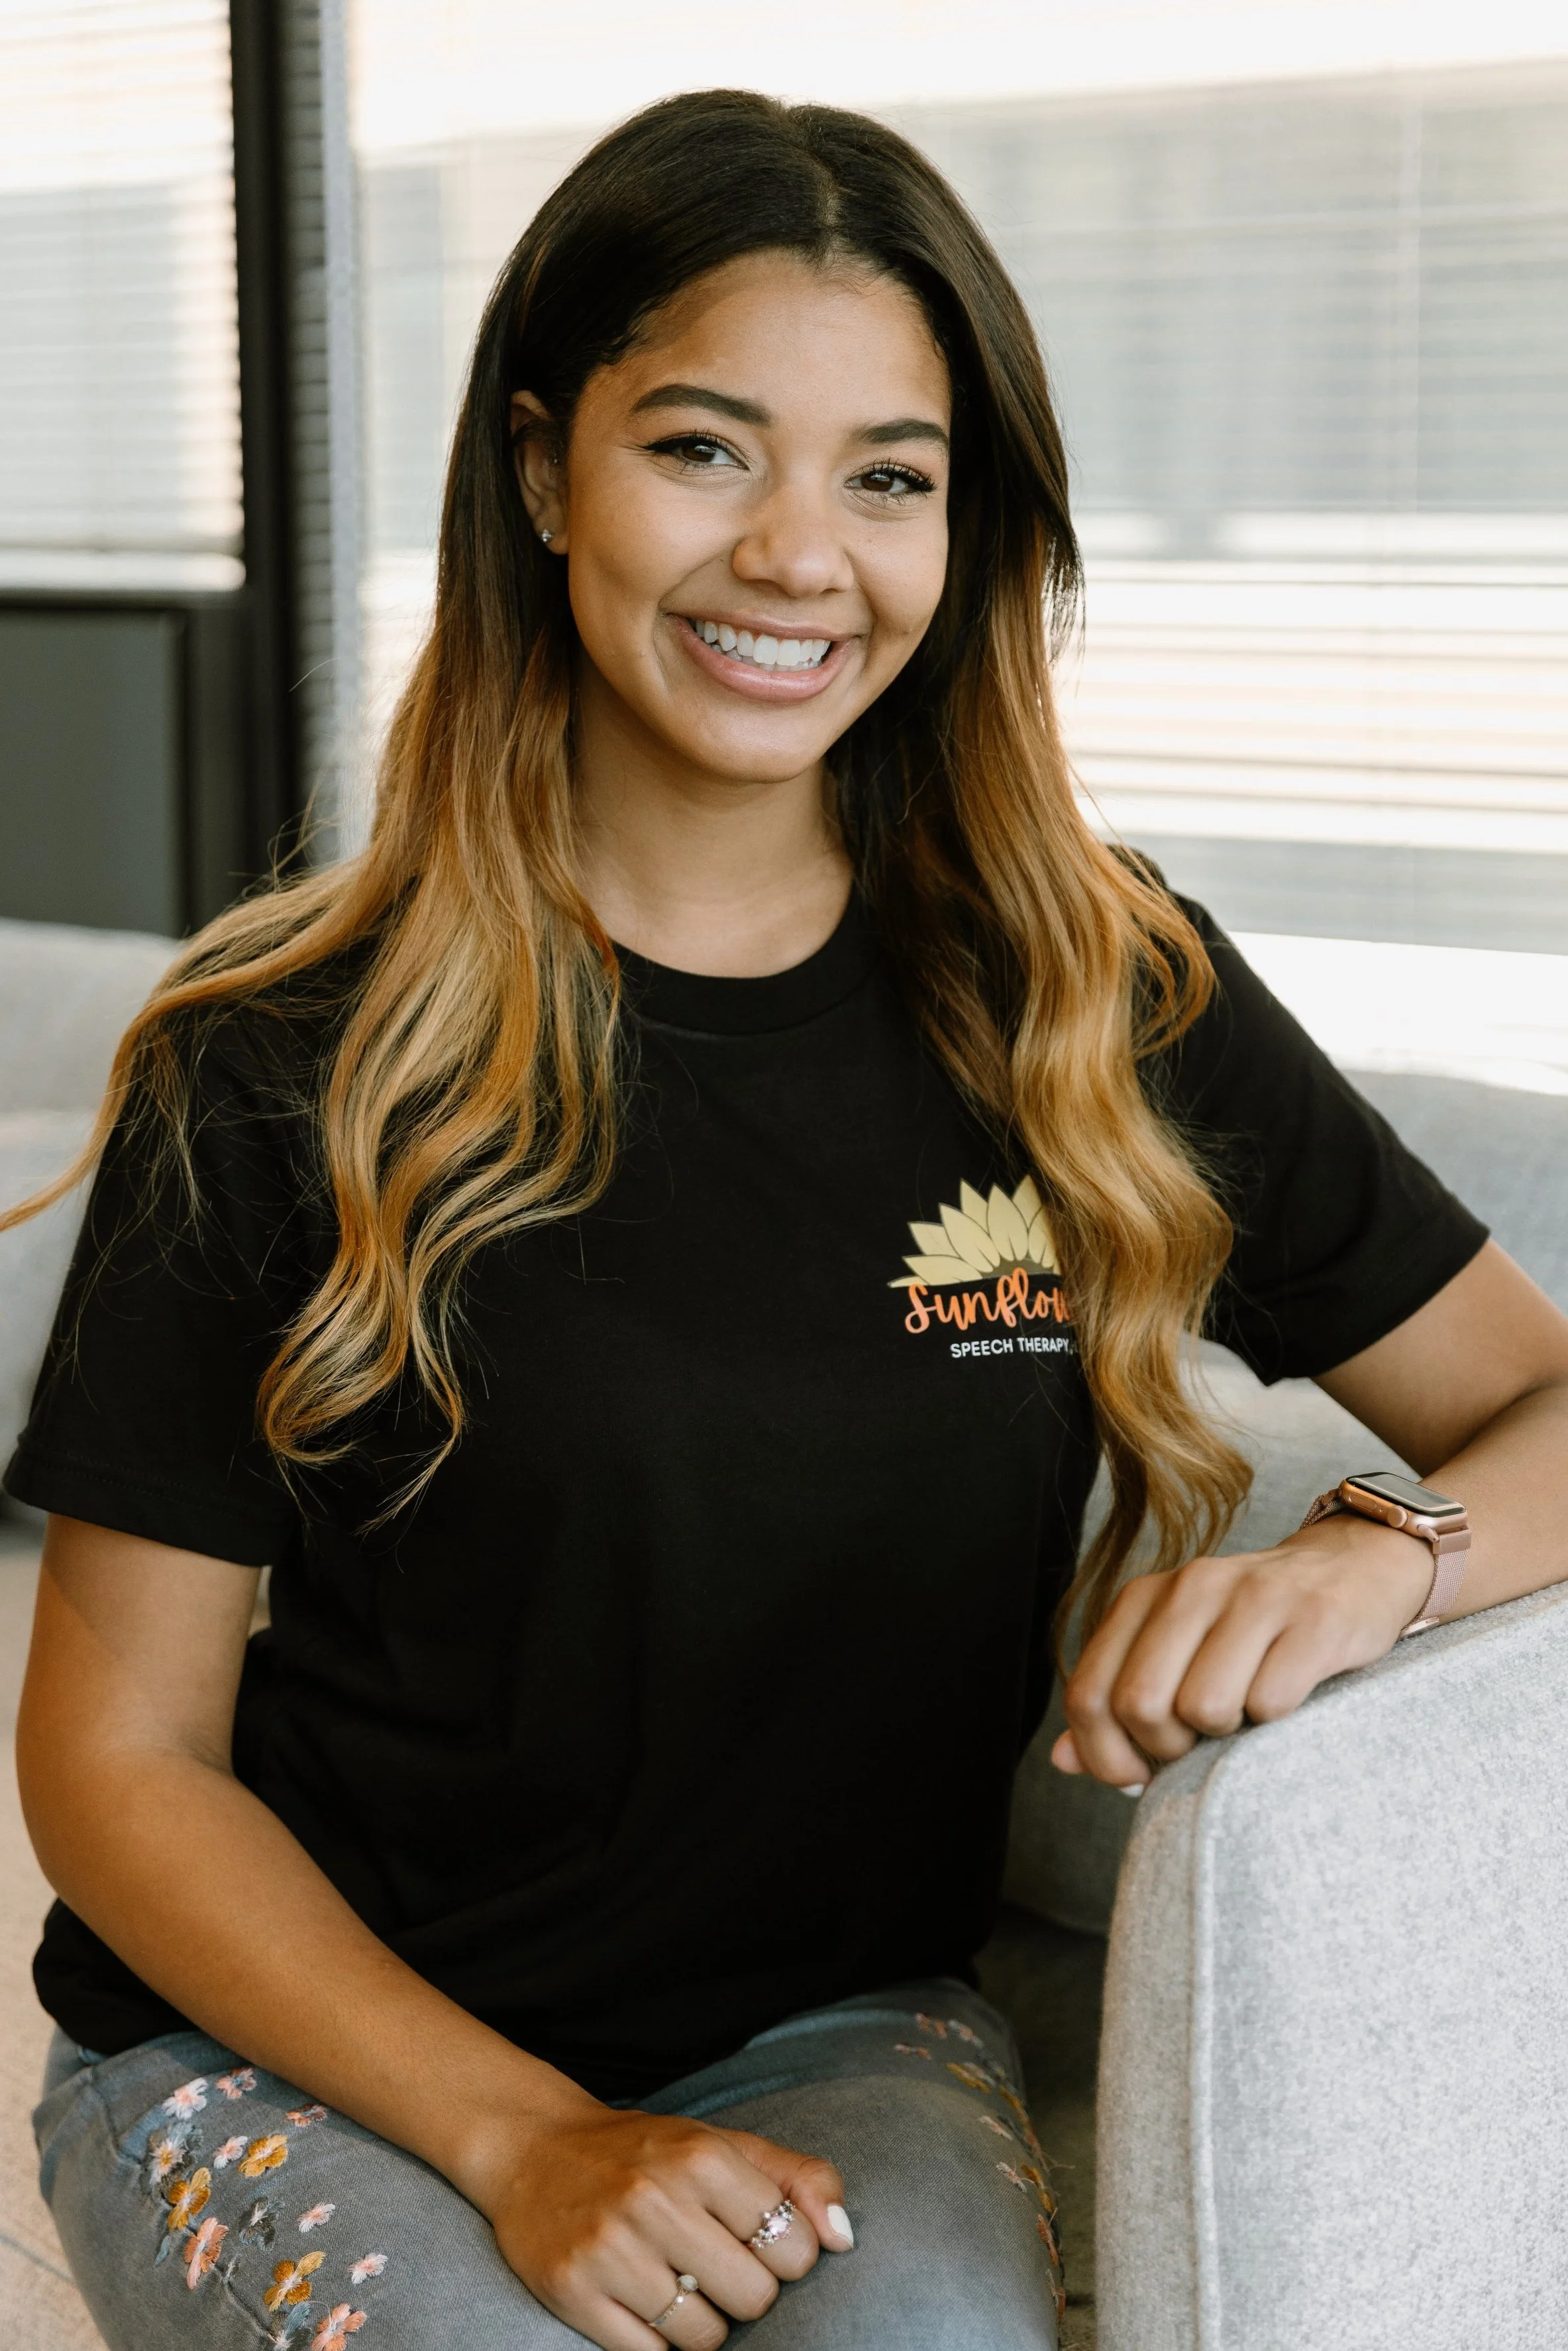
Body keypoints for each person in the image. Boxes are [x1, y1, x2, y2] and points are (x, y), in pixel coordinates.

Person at [9, 87, 1568, 2351]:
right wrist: (521, 2134)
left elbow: (1539, 1396)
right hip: (293, 2048)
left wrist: (1371, 1554)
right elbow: (114, 1758)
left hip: (831, 2019)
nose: (798, 555)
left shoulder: (1097, 1001)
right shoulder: (277, 1056)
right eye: (705, 448)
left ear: (968, 531)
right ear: (545, 472)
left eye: (890, 476)